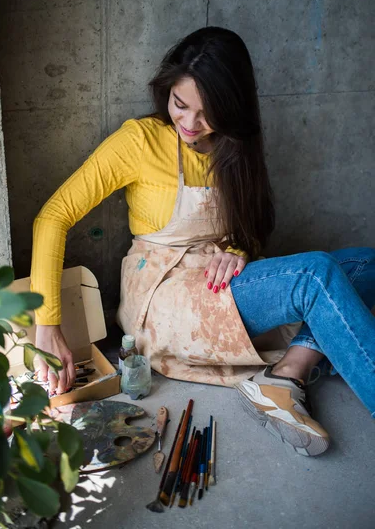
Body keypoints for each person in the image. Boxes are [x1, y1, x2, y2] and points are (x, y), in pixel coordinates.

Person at [31, 27, 375, 457]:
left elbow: (249, 230)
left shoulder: (235, 148)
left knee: (366, 263)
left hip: (217, 281)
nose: (191, 124)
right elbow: (53, 216)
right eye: (180, 104)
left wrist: (237, 251)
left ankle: (287, 375)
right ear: (167, 90)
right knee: (317, 275)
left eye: (208, 113)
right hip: (162, 296)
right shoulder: (138, 141)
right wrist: (48, 326)